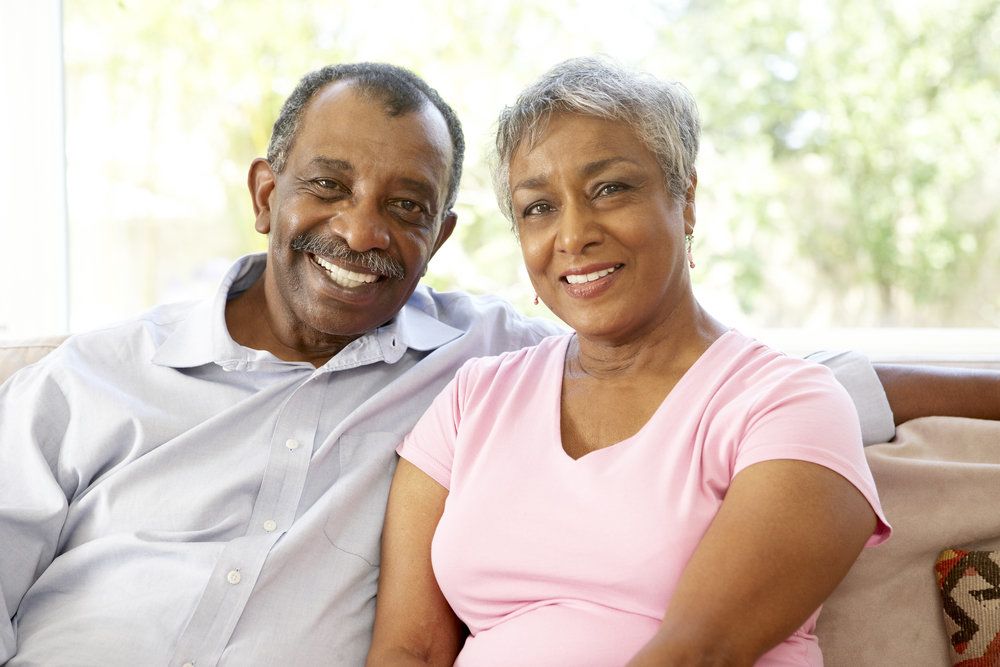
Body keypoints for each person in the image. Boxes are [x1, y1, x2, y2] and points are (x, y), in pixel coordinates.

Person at [0, 60, 993, 666]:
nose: (361, 230)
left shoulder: (480, 361)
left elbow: (753, 402)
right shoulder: (93, 378)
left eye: (404, 206)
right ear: (266, 194)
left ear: (438, 237)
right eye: (328, 186)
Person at [366, 57, 891, 666]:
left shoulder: (786, 403)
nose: (573, 235)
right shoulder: (471, 401)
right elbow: (407, 650)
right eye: (538, 207)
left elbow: (700, 653)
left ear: (685, 198)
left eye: (610, 189)